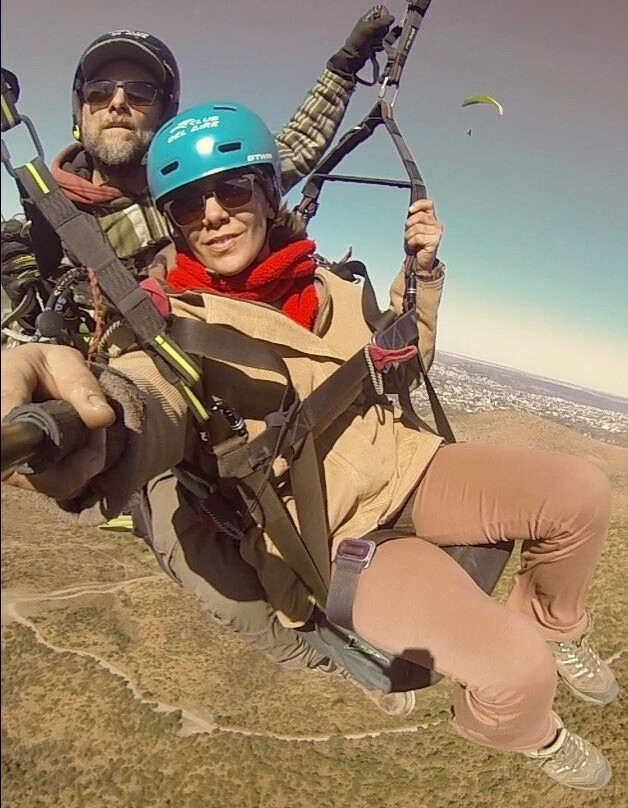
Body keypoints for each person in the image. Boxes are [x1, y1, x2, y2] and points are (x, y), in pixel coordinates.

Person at [1, 100, 620, 790]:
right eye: (187, 206)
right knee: (517, 673)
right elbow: (146, 399)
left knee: (580, 493)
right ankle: (532, 734)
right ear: (172, 222)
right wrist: (78, 424)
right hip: (337, 535)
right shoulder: (169, 328)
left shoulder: (328, 284)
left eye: (233, 190)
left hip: (408, 464)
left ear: (268, 193)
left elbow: (401, 366)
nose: (213, 215)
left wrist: (422, 277)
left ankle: (556, 626)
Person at [0, 13, 421, 712]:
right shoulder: (39, 226)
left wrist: (344, 68)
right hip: (149, 401)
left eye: (139, 92)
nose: (118, 103)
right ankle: (320, 655)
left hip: (236, 367)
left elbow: (291, 147)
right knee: (203, 567)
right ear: (79, 109)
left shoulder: (195, 184)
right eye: (101, 90)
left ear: (164, 112)